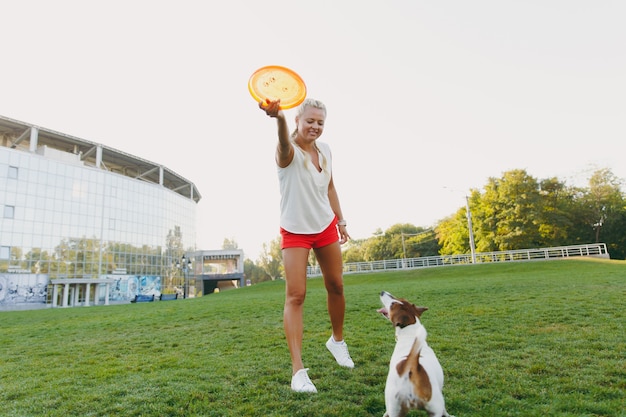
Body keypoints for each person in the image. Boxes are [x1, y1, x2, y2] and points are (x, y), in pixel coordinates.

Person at [259, 97, 354, 393]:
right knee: (296, 295)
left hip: (324, 224)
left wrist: (341, 220)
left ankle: (337, 341)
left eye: (320, 122)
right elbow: (284, 143)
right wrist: (279, 118)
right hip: (296, 231)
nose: (315, 126)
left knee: (336, 285)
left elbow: (330, 186)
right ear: (298, 121)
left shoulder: (325, 150)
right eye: (309, 121)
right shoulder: (286, 152)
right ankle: (298, 372)